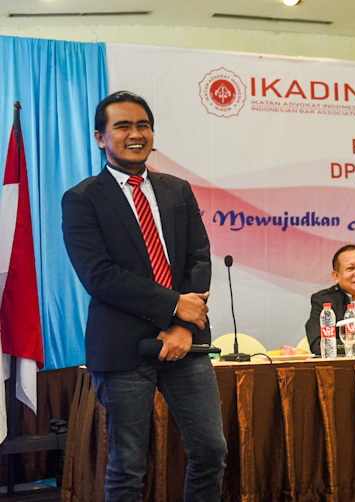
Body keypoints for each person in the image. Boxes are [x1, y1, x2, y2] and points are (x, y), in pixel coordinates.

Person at [62, 91, 227, 500]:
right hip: (121, 349)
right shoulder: (82, 198)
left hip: (186, 343)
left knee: (211, 451)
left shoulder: (177, 190)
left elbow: (198, 258)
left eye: (143, 126)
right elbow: (99, 276)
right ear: (100, 137)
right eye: (122, 126)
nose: (135, 134)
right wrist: (173, 305)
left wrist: (183, 326)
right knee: (128, 466)